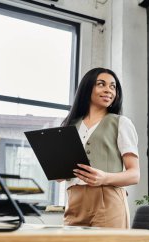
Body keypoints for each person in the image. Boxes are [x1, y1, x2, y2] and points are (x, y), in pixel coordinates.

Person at [60, 67, 140, 228]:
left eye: (113, 86)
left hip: (108, 199)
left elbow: (134, 174)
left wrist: (105, 178)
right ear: (87, 87)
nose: (108, 90)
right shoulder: (70, 125)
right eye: (101, 84)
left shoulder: (121, 123)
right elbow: (61, 176)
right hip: (74, 200)